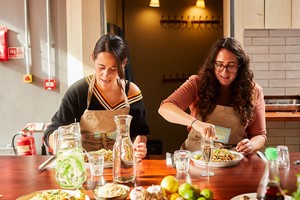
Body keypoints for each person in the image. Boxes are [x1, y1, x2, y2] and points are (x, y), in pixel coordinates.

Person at [44, 33, 150, 160]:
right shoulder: (79, 91)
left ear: (124, 63)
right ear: (93, 58)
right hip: (87, 167)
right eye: (101, 67)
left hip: (122, 165)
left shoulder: (132, 92)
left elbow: (140, 132)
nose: (106, 75)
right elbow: (53, 129)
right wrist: (59, 143)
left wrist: (139, 146)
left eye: (113, 69)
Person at [158, 36, 266, 155]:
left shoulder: (254, 91)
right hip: (197, 154)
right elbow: (165, 108)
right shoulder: (196, 84)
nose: (224, 72)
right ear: (212, 64)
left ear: (240, 67)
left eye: (231, 66)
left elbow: (259, 135)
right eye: (219, 64)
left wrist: (251, 145)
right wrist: (195, 123)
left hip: (234, 157)